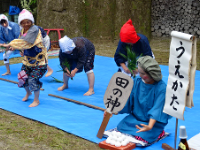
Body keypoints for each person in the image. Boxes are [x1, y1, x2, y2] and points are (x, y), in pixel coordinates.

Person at [104, 56, 170, 144]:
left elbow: (157, 109)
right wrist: (113, 109)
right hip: (135, 118)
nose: (139, 74)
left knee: (143, 135)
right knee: (121, 127)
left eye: (142, 73)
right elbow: (127, 98)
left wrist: (150, 126)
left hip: (153, 122)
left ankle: (158, 132)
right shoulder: (137, 81)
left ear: (151, 74)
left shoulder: (161, 88)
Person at [1, 9, 48, 107]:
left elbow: (26, 42)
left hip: (39, 62)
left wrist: (11, 44)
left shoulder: (34, 29)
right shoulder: (22, 30)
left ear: (31, 21)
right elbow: (21, 41)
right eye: (23, 22)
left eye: (28, 22)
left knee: (33, 80)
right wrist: (18, 48)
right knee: (22, 78)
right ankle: (28, 93)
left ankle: (36, 100)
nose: (26, 24)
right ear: (20, 23)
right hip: (28, 60)